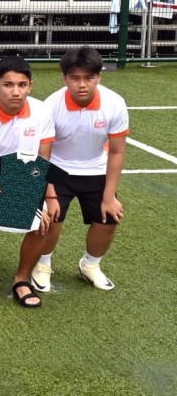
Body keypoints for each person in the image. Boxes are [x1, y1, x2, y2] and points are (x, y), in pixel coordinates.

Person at [0, 56, 59, 309]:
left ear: (30, 85)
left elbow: (43, 159)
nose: (16, 92)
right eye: (8, 85)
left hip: (25, 182)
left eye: (22, 85)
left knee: (41, 226)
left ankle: (21, 279)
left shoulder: (42, 112)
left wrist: (47, 197)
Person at [33, 46, 128, 292]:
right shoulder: (50, 106)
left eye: (89, 78)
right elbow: (43, 154)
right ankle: (42, 264)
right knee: (50, 218)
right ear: (64, 78)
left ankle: (90, 265)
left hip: (95, 168)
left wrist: (109, 196)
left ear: (99, 77)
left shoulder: (115, 104)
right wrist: (49, 193)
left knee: (110, 218)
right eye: (75, 78)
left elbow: (117, 151)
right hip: (57, 169)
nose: (82, 85)